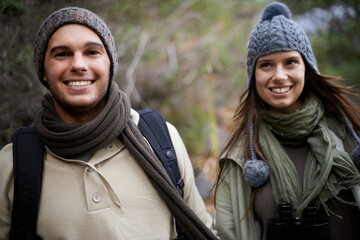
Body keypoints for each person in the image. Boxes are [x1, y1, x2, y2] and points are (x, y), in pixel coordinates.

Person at [0, 7, 217, 240]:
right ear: (43, 71)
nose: (78, 64)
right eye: (62, 54)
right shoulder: (13, 163)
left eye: (92, 52)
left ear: (110, 65)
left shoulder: (161, 138)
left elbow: (203, 231)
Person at [215, 2, 360, 240]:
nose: (279, 76)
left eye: (290, 62)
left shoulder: (349, 136)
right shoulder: (242, 157)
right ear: (254, 76)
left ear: (307, 68)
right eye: (266, 65)